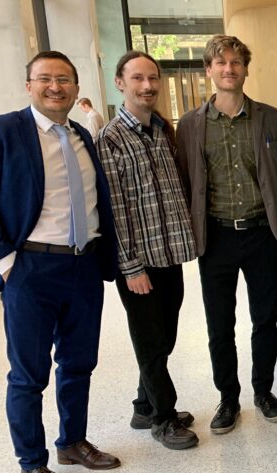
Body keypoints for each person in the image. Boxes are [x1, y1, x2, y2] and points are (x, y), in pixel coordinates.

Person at [0, 51, 120, 473]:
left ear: (77, 88)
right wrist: (4, 262)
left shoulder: (80, 135)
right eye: (45, 79)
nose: (55, 86)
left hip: (82, 266)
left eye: (64, 79)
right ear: (29, 86)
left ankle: (71, 443)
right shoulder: (0, 131)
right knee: (29, 374)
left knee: (79, 363)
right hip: (30, 269)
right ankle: (32, 464)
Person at [176, 35, 277, 433]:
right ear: (208, 70)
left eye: (236, 62)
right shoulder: (191, 125)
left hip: (262, 233)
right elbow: (185, 180)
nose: (229, 69)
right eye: (220, 63)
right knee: (219, 324)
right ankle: (228, 398)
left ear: (246, 68)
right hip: (217, 237)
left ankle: (263, 391)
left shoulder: (271, 118)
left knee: (265, 320)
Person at [97, 51, 198, 450]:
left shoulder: (162, 129)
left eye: (153, 77)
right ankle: (163, 417)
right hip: (138, 264)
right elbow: (115, 210)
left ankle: (143, 404)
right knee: (150, 343)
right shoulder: (110, 138)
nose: (148, 86)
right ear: (120, 82)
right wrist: (131, 266)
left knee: (165, 338)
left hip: (169, 254)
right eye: (137, 78)